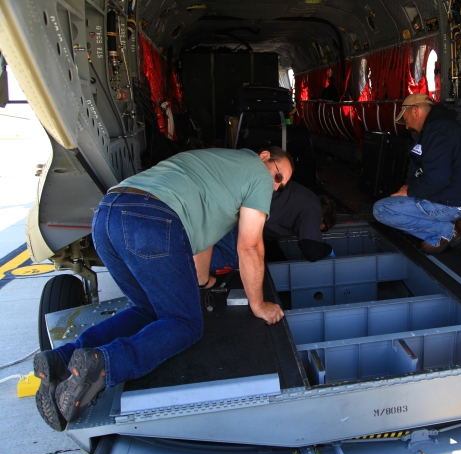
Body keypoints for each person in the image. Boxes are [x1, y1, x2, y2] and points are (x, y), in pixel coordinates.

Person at [33, 147, 293, 431]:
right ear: (265, 156)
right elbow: (250, 247)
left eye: (280, 185)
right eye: (277, 175)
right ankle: (104, 365)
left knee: (148, 310)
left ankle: (63, 359)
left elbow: (203, 236)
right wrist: (259, 305)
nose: (275, 185)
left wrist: (203, 282)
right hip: (150, 221)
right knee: (184, 323)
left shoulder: (220, 170)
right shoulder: (257, 174)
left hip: (108, 215)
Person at [372, 93, 461, 254]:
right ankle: (449, 225)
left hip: (450, 203)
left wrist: (410, 191)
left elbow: (438, 177)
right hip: (446, 198)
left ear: (415, 111)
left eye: (405, 120)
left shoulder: (439, 131)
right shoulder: (436, 129)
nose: (406, 126)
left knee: (382, 210)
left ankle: (447, 231)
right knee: (396, 203)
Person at [210, 181, 337, 270]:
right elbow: (311, 251)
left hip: (247, 219)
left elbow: (267, 235)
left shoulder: (305, 200)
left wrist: (280, 261)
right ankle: (193, 264)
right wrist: (329, 249)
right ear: (322, 219)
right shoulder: (313, 208)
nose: (320, 231)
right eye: (324, 228)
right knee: (233, 260)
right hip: (236, 217)